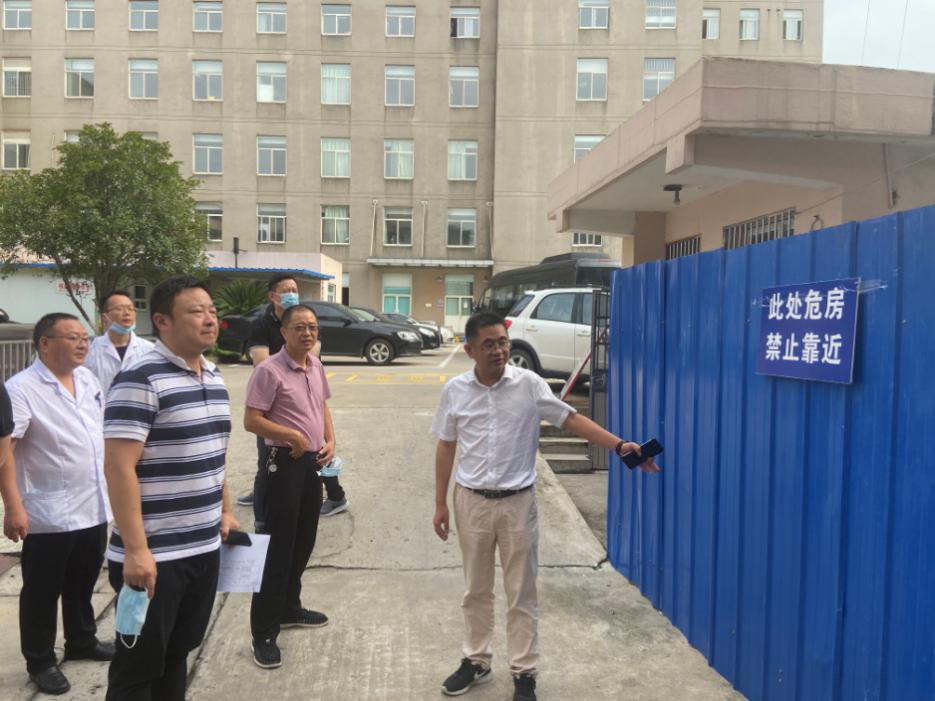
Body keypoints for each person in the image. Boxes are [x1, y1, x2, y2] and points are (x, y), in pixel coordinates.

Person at [431, 311, 660, 701]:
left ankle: (524, 672)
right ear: (470, 350)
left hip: (518, 504)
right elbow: (446, 445)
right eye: (488, 345)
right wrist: (440, 503)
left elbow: (570, 420)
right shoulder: (455, 391)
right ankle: (476, 660)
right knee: (476, 590)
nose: (499, 351)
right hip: (471, 503)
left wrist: (620, 445)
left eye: (502, 342)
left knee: (521, 592)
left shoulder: (529, 384)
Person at [103, 276, 239, 701]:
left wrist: (225, 510)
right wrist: (136, 550)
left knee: (177, 653)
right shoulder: (140, 378)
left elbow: (212, 453)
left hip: (203, 547)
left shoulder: (213, 375)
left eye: (212, 311)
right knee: (137, 669)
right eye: (196, 311)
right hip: (155, 556)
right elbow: (118, 467)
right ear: (162, 321)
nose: (209, 319)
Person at [2, 313, 114, 696]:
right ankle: (40, 660)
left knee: (83, 580)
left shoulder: (88, 379)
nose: (83, 344)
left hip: (93, 502)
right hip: (49, 511)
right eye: (73, 337)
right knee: (42, 590)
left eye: (85, 337)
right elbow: (5, 452)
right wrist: (12, 506)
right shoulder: (20, 389)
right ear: (45, 343)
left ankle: (81, 639)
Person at [243, 303, 336, 669]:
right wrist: (291, 435)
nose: (308, 333)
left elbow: (322, 406)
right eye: (299, 327)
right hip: (283, 464)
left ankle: (288, 608)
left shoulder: (315, 365)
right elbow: (252, 420)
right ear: (283, 332)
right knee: (277, 550)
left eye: (312, 327)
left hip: (312, 464)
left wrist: (331, 439)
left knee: (303, 541)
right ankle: (263, 632)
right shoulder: (269, 370)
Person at [237, 273, 348, 525]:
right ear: (272, 296)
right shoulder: (261, 326)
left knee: (320, 455)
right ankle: (263, 518)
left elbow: (312, 358)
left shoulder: (307, 334)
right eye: (286, 290)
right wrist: (285, 364)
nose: (292, 294)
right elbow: (261, 362)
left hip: (303, 394)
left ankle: (336, 495)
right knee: (268, 465)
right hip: (275, 407)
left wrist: (331, 438)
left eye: (295, 290)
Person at [85, 290, 155, 394]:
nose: (127, 313)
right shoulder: (90, 351)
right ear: (105, 317)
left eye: (131, 309)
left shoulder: (150, 350)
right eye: (119, 309)